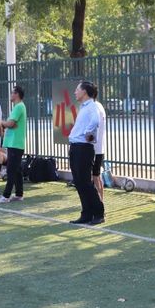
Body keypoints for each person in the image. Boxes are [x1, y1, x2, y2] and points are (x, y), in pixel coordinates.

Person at [68, 81, 105, 225]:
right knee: (79, 182)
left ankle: (99, 213)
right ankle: (86, 213)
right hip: (76, 146)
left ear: (84, 91)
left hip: (83, 148)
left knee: (85, 182)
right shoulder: (84, 107)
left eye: (77, 89)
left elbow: (95, 121)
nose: (75, 92)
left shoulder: (92, 106)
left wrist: (86, 134)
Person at [0, 85, 28, 203]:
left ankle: (6, 196)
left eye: (12, 92)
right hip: (13, 144)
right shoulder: (17, 107)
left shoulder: (19, 107)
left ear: (17, 94)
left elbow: (10, 123)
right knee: (17, 170)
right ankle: (19, 194)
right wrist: (8, 124)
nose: (10, 95)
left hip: (16, 144)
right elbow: (11, 124)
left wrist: (1, 122)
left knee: (11, 171)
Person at [92, 87, 107, 201]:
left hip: (93, 148)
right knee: (96, 176)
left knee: (95, 176)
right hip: (98, 148)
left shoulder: (94, 107)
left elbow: (93, 127)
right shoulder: (98, 105)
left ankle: (99, 202)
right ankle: (100, 201)